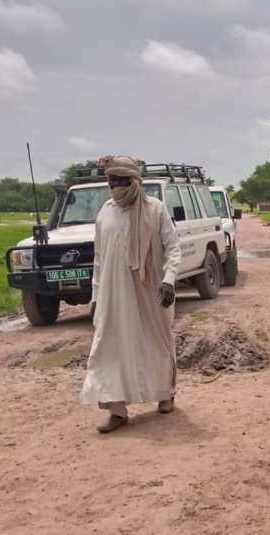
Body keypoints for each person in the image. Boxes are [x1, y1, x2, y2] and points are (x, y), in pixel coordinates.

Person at [79, 155, 181, 433]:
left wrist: (169, 280)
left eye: (121, 180)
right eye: (111, 180)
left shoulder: (155, 209)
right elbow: (98, 259)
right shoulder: (105, 212)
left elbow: (173, 247)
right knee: (109, 347)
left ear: (135, 181)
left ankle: (165, 392)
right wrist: (96, 296)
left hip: (150, 291)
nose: (115, 185)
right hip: (112, 294)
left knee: (156, 342)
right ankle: (117, 410)